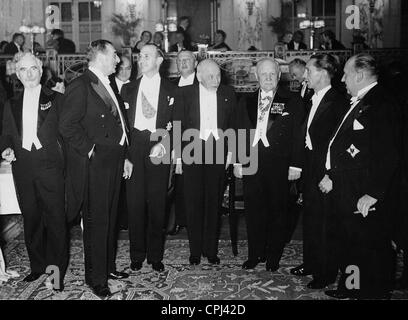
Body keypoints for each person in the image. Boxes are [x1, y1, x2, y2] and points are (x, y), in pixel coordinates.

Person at [322, 53, 400, 299]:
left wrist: (374, 193)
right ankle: (351, 288)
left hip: (364, 191)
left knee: (371, 248)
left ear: (359, 74)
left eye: (346, 73)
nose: (342, 79)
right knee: (351, 243)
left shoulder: (382, 103)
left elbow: (389, 153)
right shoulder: (358, 100)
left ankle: (373, 294)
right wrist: (331, 174)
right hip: (347, 187)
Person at [60, 40, 132, 298]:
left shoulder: (108, 82)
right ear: (101, 56)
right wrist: (90, 150)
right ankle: (96, 279)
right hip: (96, 164)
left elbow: (119, 123)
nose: (118, 60)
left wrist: (125, 154)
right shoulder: (80, 85)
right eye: (114, 55)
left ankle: (108, 268)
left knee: (111, 219)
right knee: (97, 223)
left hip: (114, 159)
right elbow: (67, 125)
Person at [0, 52, 68, 290]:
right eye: (23, 70)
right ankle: (37, 266)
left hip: (51, 168)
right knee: (32, 220)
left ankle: (55, 273)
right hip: (24, 169)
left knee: (56, 222)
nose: (28, 74)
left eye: (33, 69)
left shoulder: (57, 99)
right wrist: (6, 149)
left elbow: (66, 136)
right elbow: (7, 135)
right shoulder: (12, 104)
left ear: (41, 70)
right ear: (17, 74)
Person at [234, 58, 305, 271]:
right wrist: (237, 161)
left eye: (272, 74)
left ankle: (273, 256)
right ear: (256, 76)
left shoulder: (292, 101)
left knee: (278, 212)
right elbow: (238, 132)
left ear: (278, 76)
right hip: (251, 164)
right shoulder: (245, 101)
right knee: (254, 212)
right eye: (263, 74)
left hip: (279, 165)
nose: (267, 78)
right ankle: (255, 254)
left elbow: (298, 136)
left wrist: (296, 165)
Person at [290, 54, 348, 289]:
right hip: (312, 167)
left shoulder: (338, 102)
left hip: (326, 170)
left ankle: (325, 273)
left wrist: (330, 174)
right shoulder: (313, 98)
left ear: (323, 73)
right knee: (312, 220)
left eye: (309, 71)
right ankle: (311, 263)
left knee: (326, 224)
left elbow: (341, 144)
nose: (305, 75)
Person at [174, 59, 236, 266]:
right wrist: (178, 158)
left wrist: (231, 155)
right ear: (199, 76)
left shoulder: (228, 93)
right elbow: (178, 126)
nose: (216, 80)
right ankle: (194, 251)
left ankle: (210, 250)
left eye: (218, 75)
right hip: (192, 151)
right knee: (193, 203)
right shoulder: (184, 94)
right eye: (210, 76)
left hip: (218, 152)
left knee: (213, 202)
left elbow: (233, 127)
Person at [121, 44, 176, 273]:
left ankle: (155, 256)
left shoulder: (173, 91)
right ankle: (136, 254)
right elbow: (121, 129)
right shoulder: (127, 89)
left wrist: (171, 149)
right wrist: (125, 156)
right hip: (134, 149)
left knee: (157, 204)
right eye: (140, 56)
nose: (141, 60)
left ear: (159, 60)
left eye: (146, 56)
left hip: (160, 147)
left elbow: (178, 124)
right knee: (134, 204)